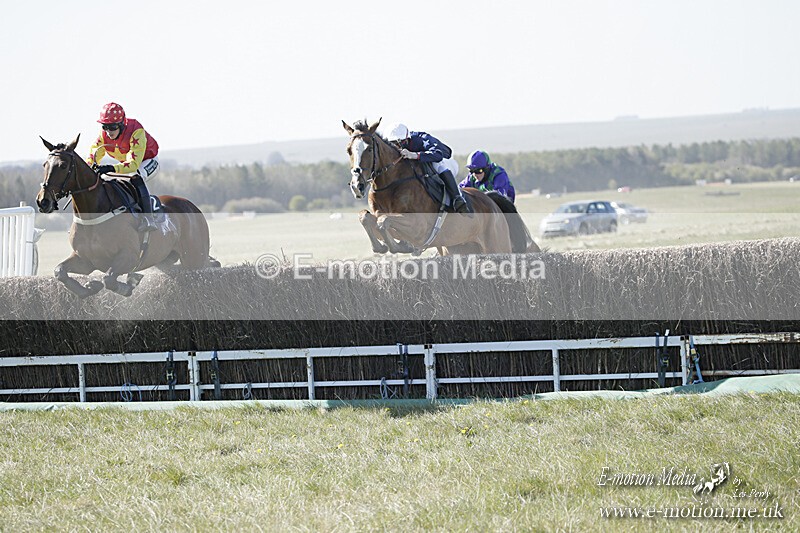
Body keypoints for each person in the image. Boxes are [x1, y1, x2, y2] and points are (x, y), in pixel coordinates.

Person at [86, 102, 160, 232]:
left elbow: (133, 164)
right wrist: (87, 170)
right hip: (127, 163)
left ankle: (148, 219)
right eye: (105, 127)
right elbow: (93, 155)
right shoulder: (104, 135)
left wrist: (110, 168)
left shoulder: (136, 131)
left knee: (135, 176)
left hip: (147, 161)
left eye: (113, 127)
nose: (109, 132)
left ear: (121, 124)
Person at [385, 123, 469, 214]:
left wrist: (415, 155)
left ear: (407, 139)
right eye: (393, 144)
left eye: (399, 143)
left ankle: (458, 199)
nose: (397, 147)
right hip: (425, 163)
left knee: (438, 165)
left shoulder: (422, 139)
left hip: (446, 161)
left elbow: (438, 156)